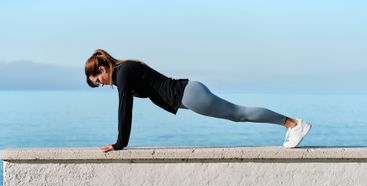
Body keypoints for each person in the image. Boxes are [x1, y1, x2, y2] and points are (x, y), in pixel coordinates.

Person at [85, 49, 311, 153]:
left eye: (98, 80)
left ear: (102, 69)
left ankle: (293, 124)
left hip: (190, 95)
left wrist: (119, 144)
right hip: (190, 93)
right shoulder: (126, 70)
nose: (101, 84)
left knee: (238, 114)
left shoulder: (123, 73)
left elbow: (125, 109)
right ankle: (290, 124)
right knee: (237, 114)